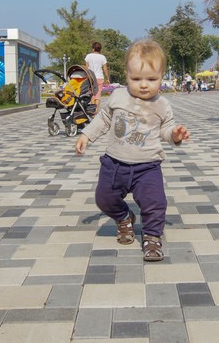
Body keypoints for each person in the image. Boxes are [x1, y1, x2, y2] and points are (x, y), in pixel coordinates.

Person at [75, 39, 190, 262]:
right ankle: (124, 217)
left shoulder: (162, 105)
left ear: (162, 76)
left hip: (147, 166)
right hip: (114, 164)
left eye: (151, 79)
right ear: (126, 74)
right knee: (104, 199)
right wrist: (86, 134)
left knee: (155, 203)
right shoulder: (118, 96)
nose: (143, 85)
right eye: (136, 79)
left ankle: (152, 238)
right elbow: (104, 118)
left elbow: (166, 130)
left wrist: (175, 135)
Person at [85, 42, 110, 113]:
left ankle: (92, 111)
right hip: (100, 78)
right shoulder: (103, 57)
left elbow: (86, 68)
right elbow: (105, 69)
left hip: (91, 78)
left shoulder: (88, 56)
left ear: (93, 49)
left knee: (92, 95)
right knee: (98, 96)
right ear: (100, 49)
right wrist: (107, 78)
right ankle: (95, 113)